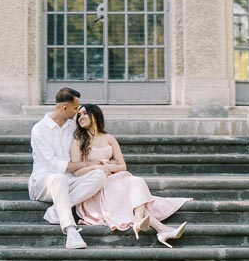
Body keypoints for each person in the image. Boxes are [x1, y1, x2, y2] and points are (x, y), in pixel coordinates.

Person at [70, 103, 190, 246]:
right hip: (96, 184)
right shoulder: (78, 141)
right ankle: (162, 229)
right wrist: (97, 167)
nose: (80, 117)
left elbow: (122, 165)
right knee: (131, 198)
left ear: (94, 116)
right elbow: (77, 171)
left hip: (114, 178)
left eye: (84, 113)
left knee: (136, 181)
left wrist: (109, 166)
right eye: (79, 115)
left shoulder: (109, 138)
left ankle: (140, 220)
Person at [29, 86, 107, 250]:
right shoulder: (39, 130)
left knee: (99, 175)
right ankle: (71, 231)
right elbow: (56, 165)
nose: (78, 112)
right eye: (75, 108)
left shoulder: (72, 127)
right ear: (64, 107)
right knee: (58, 178)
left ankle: (56, 211)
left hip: (70, 181)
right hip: (43, 183)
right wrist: (87, 164)